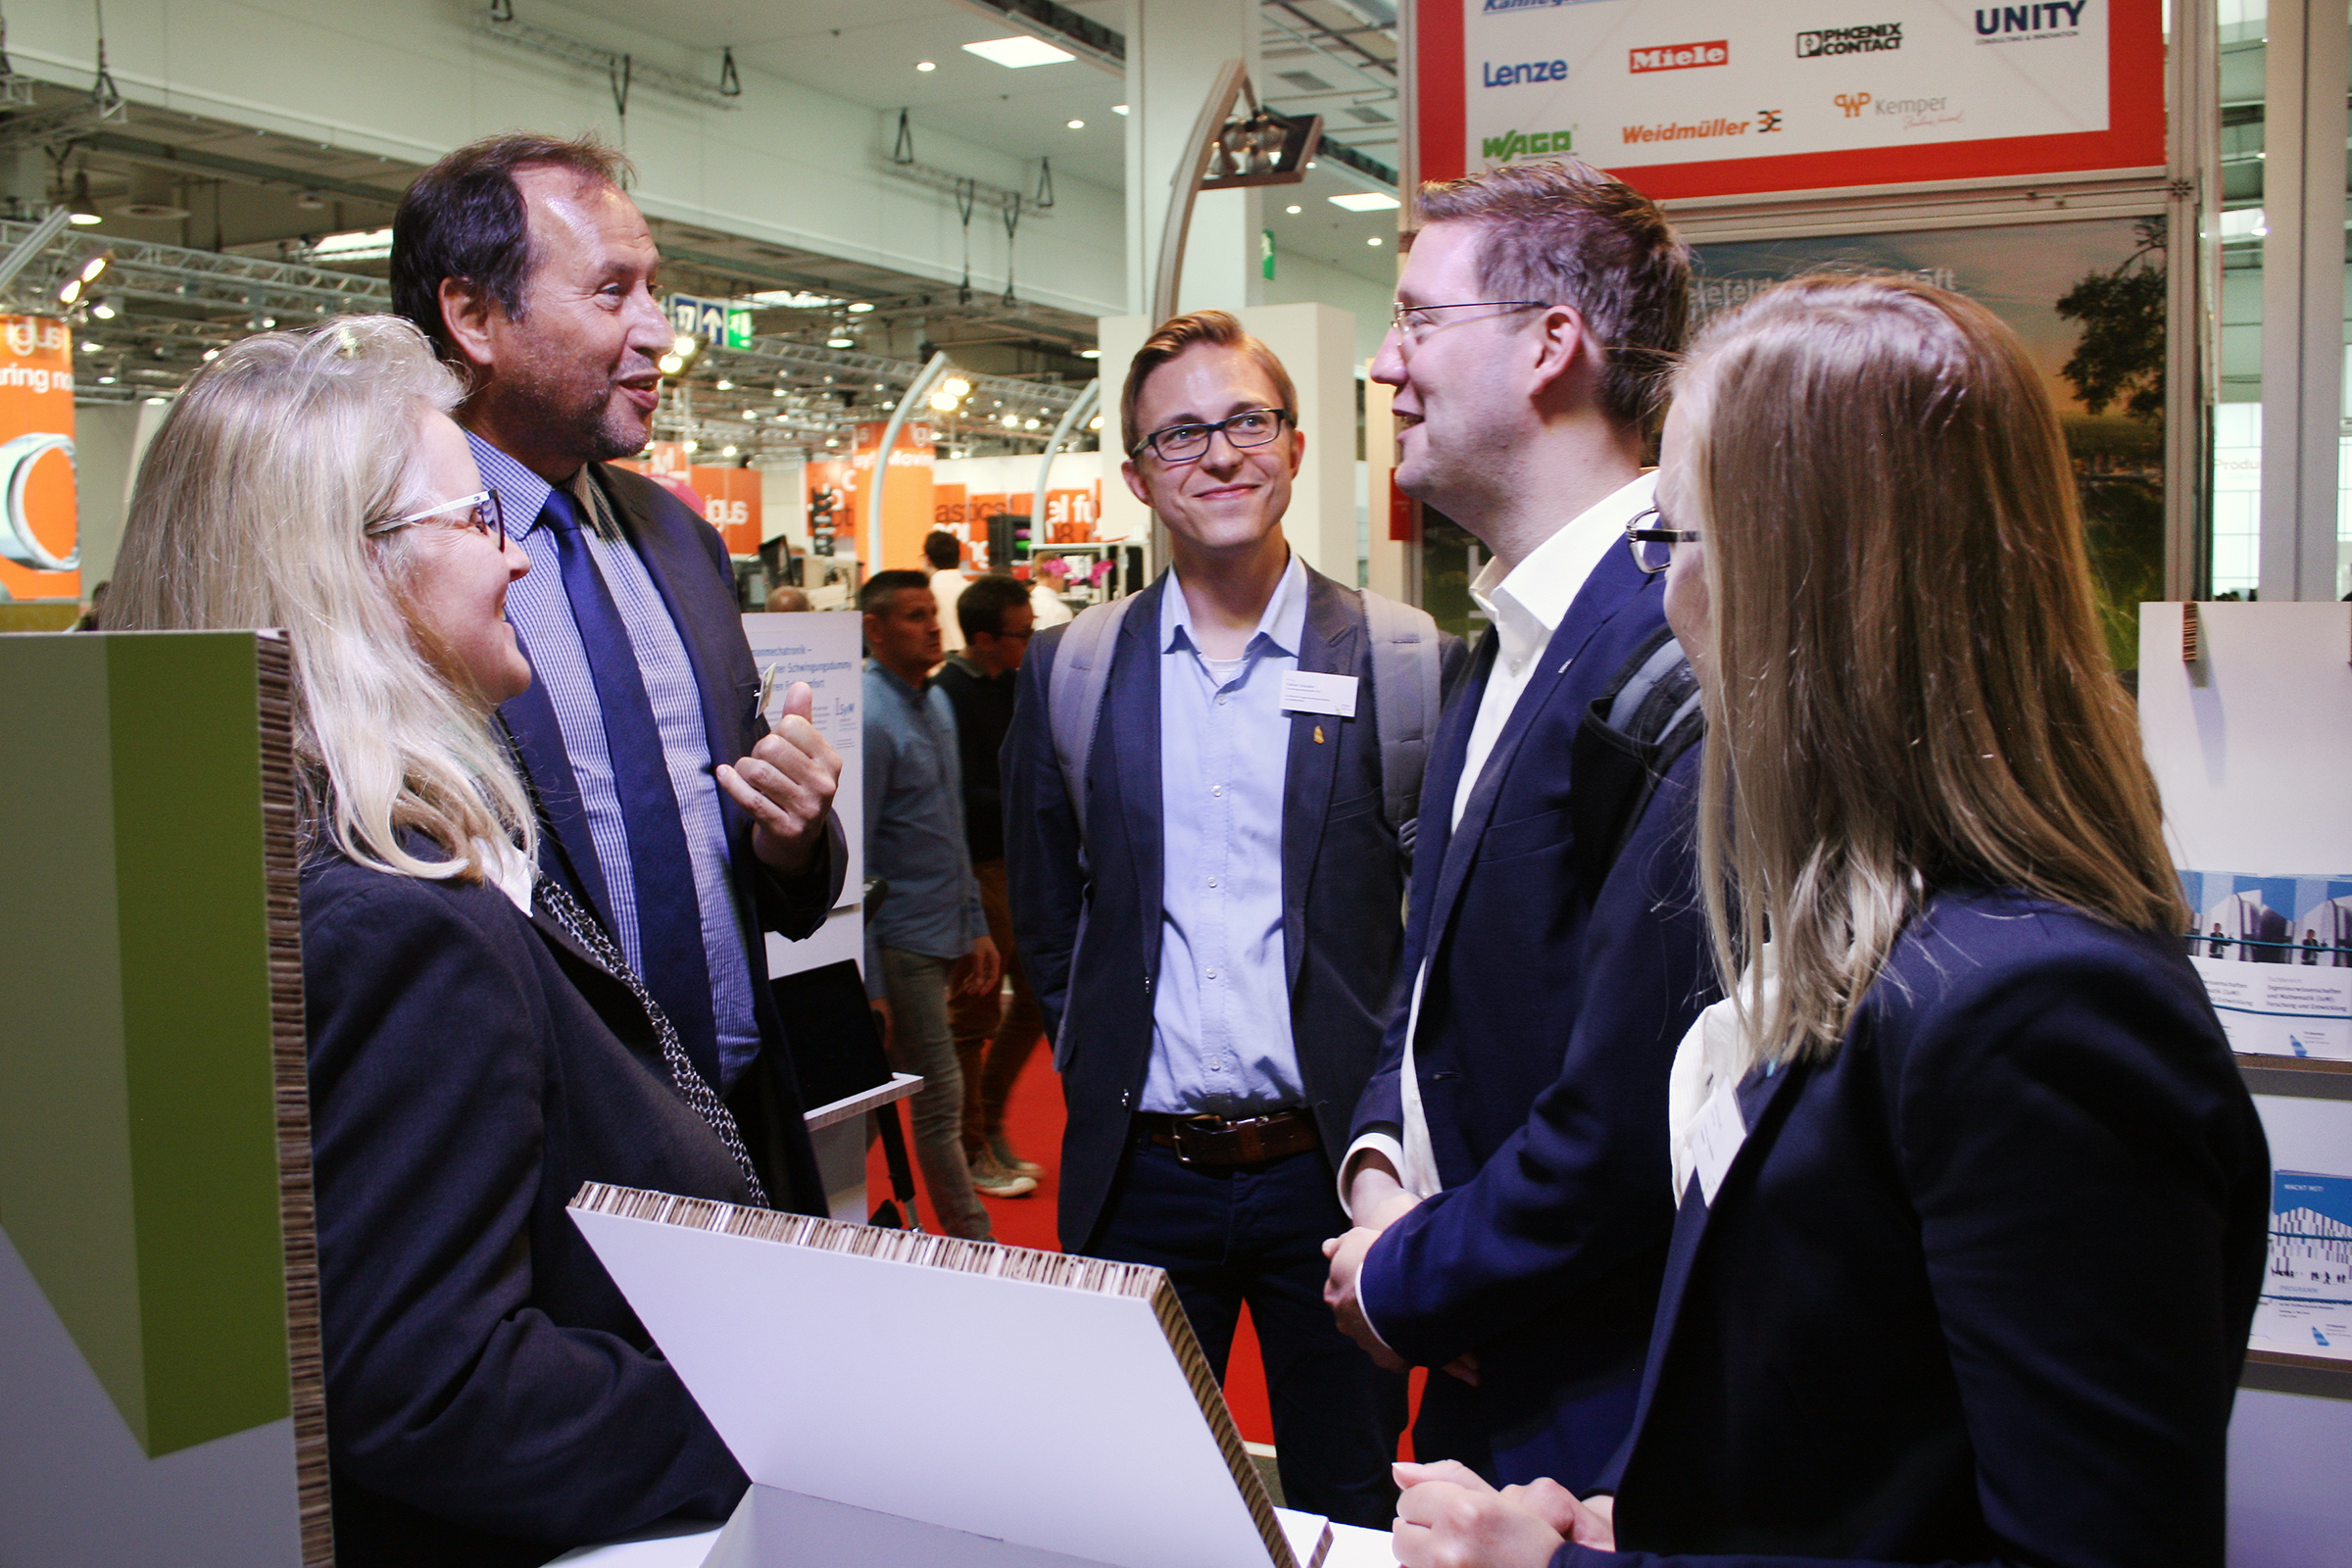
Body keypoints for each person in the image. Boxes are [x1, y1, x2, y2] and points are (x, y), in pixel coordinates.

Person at [1389, 274, 2270, 1568]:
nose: (1665, 600)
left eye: (1675, 542)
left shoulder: (2033, 1012)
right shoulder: (1879, 931)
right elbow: (1867, 1441)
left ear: (1801, 586)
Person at [106, 318, 761, 1565]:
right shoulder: (402, 917)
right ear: (350, 567)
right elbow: (435, 1382)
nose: (516, 560)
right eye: (476, 520)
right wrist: (756, 1414)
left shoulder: (237, 859)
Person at [1004, 310, 1463, 1528]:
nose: (1218, 454)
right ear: (1137, 475)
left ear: (1296, 444)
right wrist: (1100, 1064)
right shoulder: (1073, 670)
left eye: (1247, 421)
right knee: (1144, 1502)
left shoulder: (1402, 662)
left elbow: (1438, 933)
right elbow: (1050, 918)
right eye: (1181, 433)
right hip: (1141, 1175)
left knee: (1351, 1495)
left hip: (1336, 1172)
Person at [1325, 157, 1713, 1489]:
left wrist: (1412, 1275)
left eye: (1418, 319)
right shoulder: (1503, 637)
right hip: (1483, 1360)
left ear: (1552, 344)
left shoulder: (1670, 644)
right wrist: (1380, 1174)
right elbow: (1429, 976)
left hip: (1601, 1417)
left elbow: (1633, 1109)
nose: (1385, 363)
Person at [391, 133, 847, 1212]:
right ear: (473, 317)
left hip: (744, 1118)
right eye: (611, 291)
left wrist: (790, 836)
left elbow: (742, 853)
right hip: (546, 1162)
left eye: (654, 288)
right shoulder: (396, 559)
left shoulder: (680, 540)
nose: (657, 330)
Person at [861, 569, 1004, 1239]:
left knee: (880, 1097)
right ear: (875, 628)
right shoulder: (870, 716)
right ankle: (975, 1242)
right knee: (939, 1095)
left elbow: (952, 828)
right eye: (914, 616)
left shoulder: (936, 703)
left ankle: (812, 1201)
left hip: (942, 927)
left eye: (931, 613)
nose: (931, 627)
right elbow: (858, 855)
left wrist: (975, 925)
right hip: (901, 939)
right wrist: (870, 978)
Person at [934, 572, 1048, 1198]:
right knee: (973, 1014)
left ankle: (989, 1125)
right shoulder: (949, 694)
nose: (1030, 643)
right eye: (1020, 634)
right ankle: (970, 1146)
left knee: (1033, 1001)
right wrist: (1029, 793)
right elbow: (961, 794)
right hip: (979, 871)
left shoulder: (1012, 685)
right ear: (984, 638)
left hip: (1019, 863)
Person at [927, 528, 971, 653]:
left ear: (927, 559)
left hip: (938, 660)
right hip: (972, 660)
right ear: (959, 556)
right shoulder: (974, 591)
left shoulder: (927, 593)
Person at [1028, 555, 1074, 627]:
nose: (1064, 581)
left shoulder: (1023, 604)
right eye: (1062, 575)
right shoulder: (1061, 612)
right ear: (1054, 576)